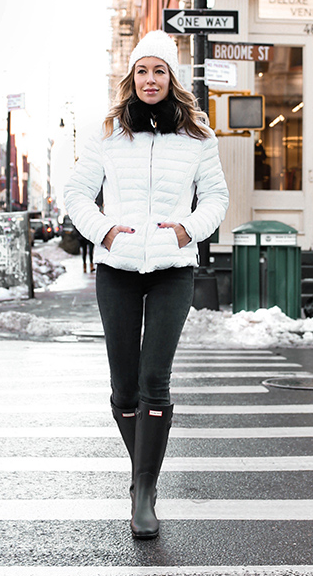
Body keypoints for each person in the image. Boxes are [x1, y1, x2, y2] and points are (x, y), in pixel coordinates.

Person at [64, 30, 228, 539]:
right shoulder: (107, 132)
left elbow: (217, 198)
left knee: (155, 379)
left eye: (159, 71)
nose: (150, 79)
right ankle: (144, 476)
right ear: (131, 78)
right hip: (117, 270)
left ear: (172, 78)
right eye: (142, 71)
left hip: (173, 270)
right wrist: (105, 232)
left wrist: (188, 230)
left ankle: (143, 492)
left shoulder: (198, 137)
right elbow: (76, 194)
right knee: (123, 387)